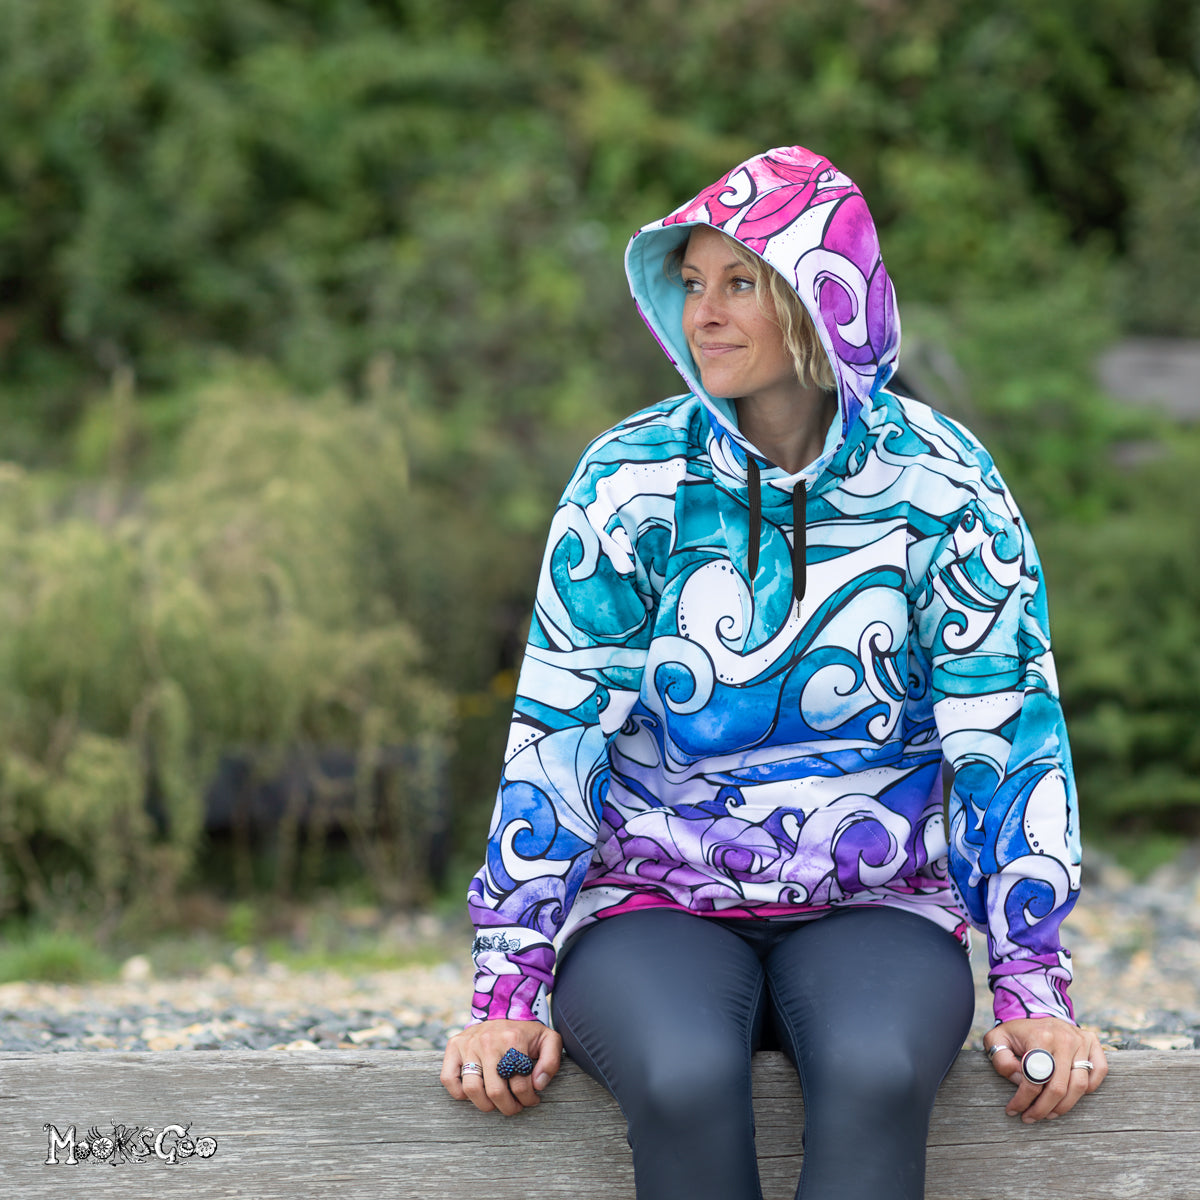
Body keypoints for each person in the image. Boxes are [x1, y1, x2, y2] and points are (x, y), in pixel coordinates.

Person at [440, 144, 1107, 1199]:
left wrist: (1033, 980)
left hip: (880, 905)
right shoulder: (631, 480)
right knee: (686, 1073)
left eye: (740, 283)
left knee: (876, 1069)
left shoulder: (942, 483)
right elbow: (557, 731)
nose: (704, 313)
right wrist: (506, 984)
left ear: (822, 302)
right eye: (693, 283)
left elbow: (1005, 731)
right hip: (651, 903)